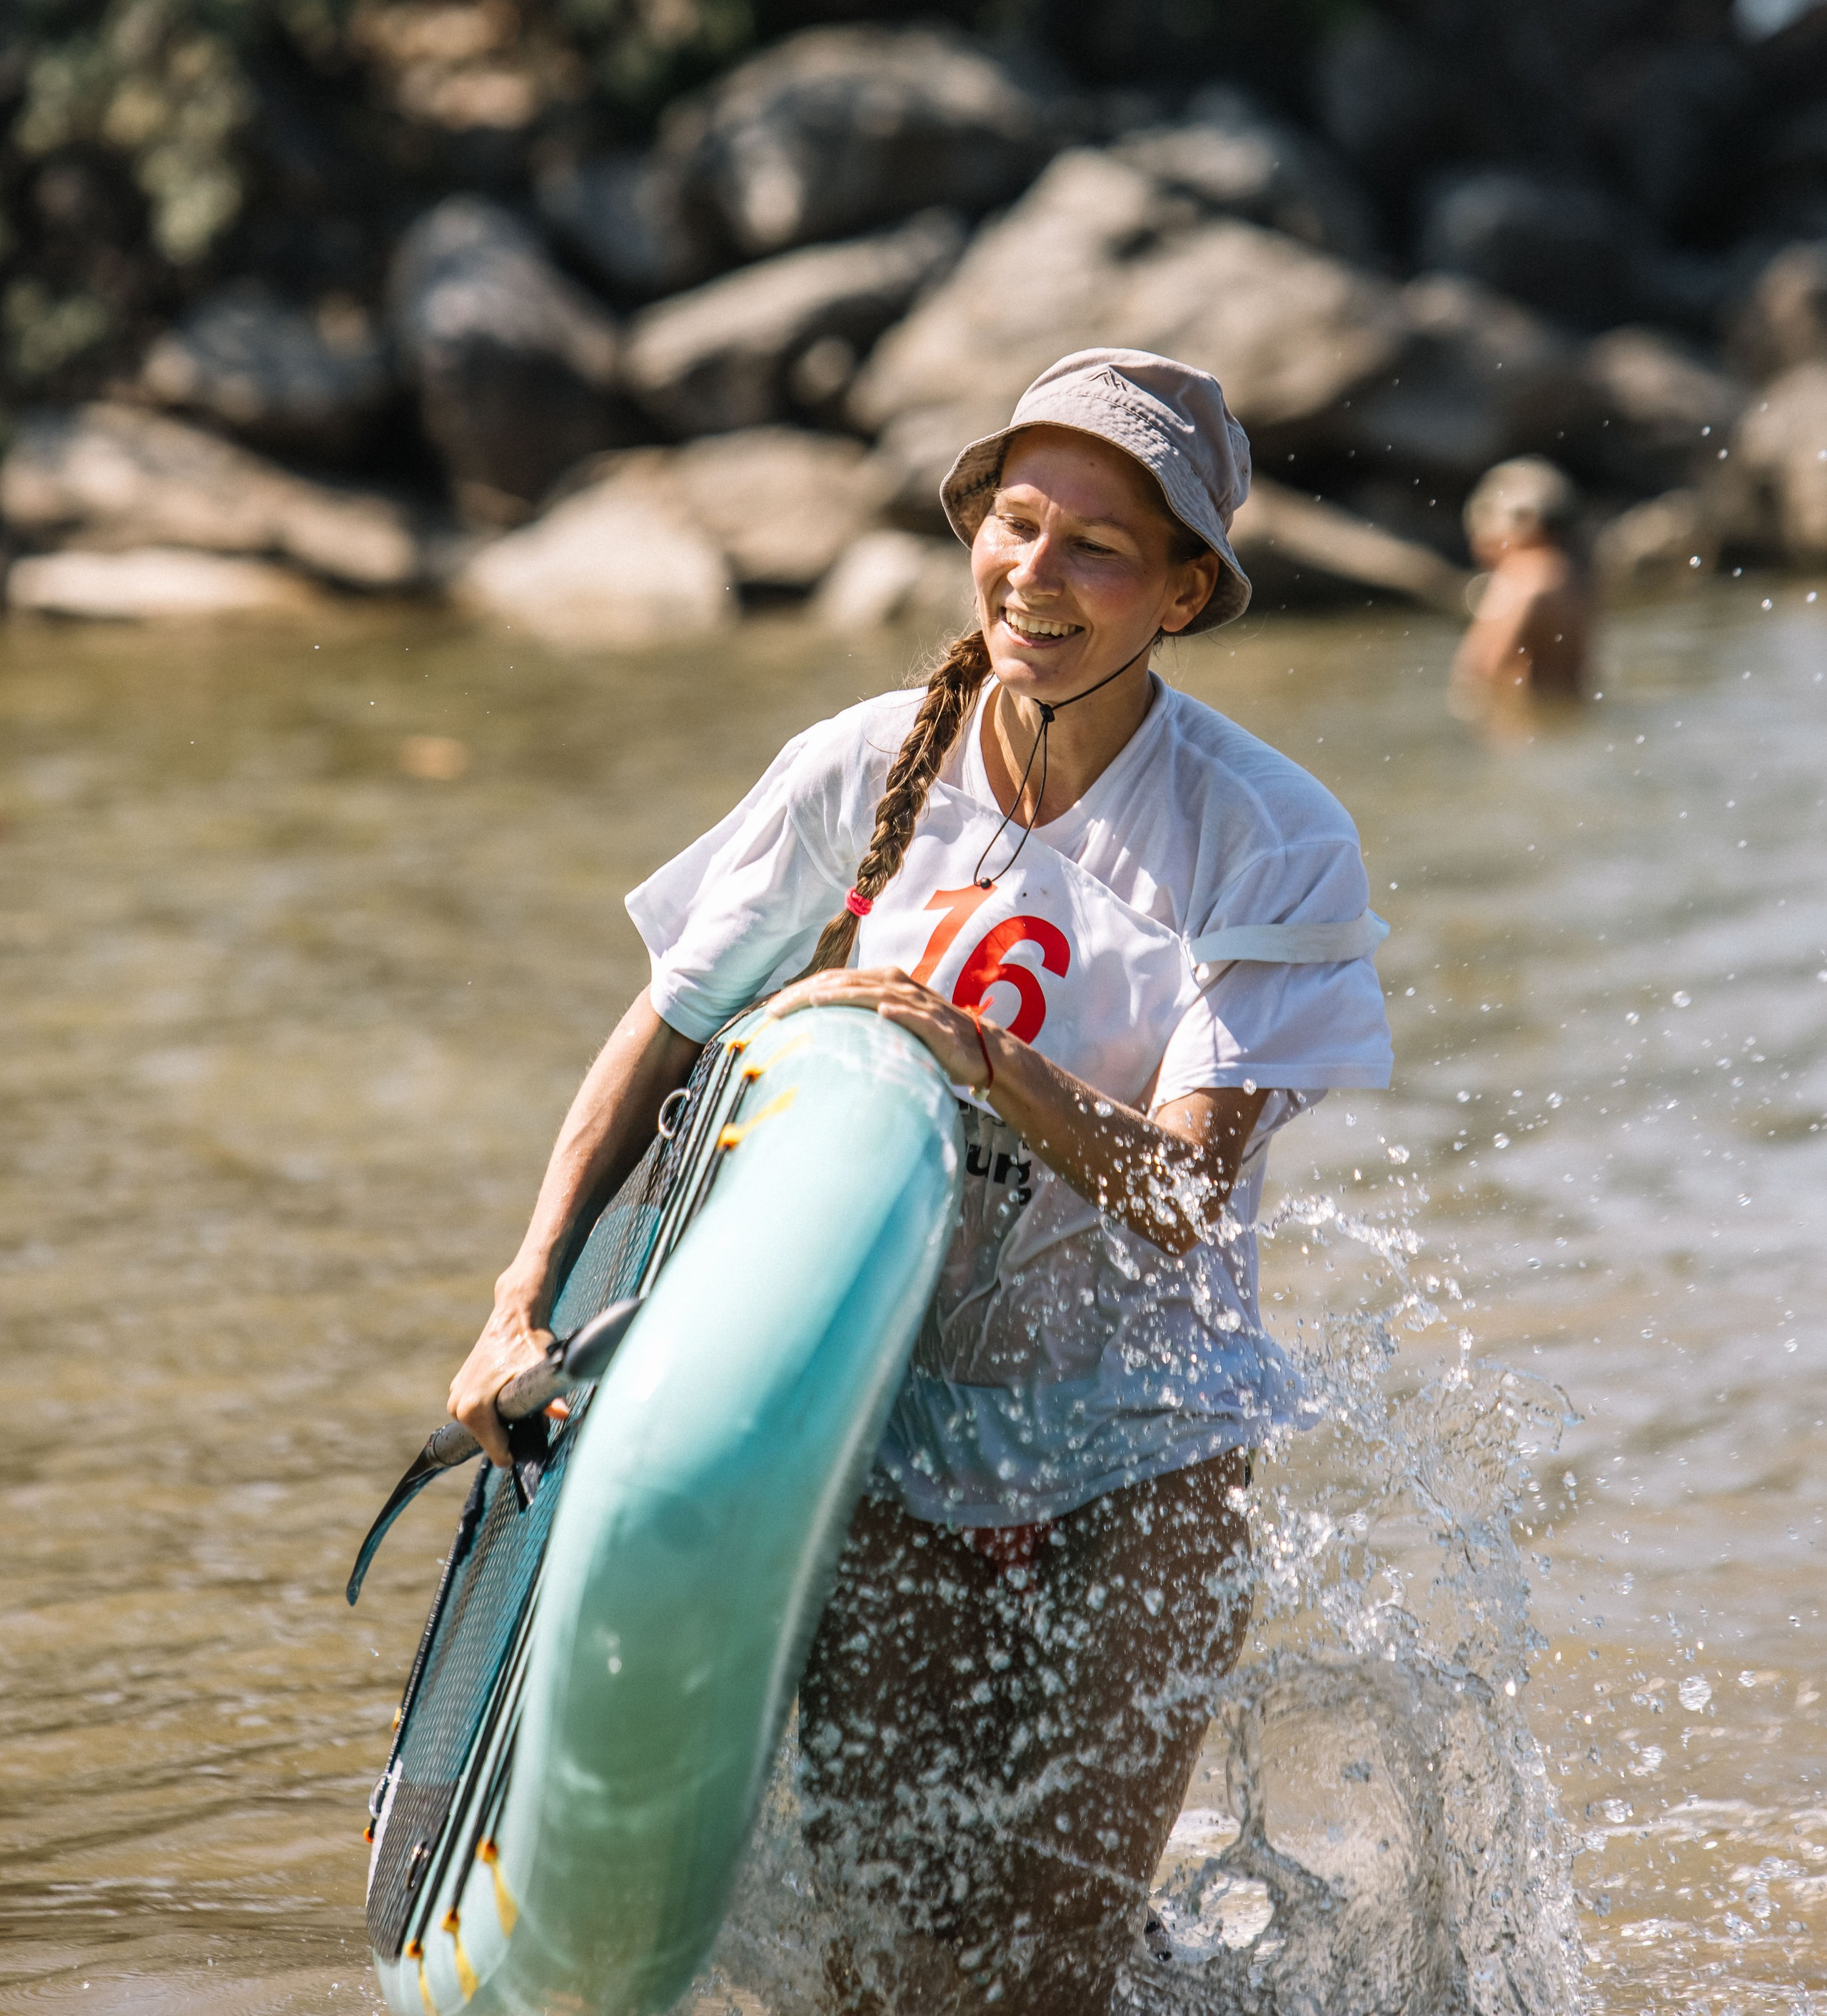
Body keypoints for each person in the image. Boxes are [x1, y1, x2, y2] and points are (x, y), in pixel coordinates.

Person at [448, 346, 1393, 2014]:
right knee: (894, 1949)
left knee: (1052, 1956)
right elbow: (657, 1042)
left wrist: (976, 1052)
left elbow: (1179, 1198)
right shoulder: (859, 761)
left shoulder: (1267, 830)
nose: (1038, 574)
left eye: (1098, 546)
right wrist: (517, 1302)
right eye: (1015, 524)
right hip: (885, 1419)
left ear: (1182, 592)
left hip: (1146, 1431)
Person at [1449, 456, 1592, 717]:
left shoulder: (1522, 579)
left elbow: (1481, 674)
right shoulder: (1574, 578)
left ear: (1526, 521)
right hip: (1568, 721)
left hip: (1519, 728)